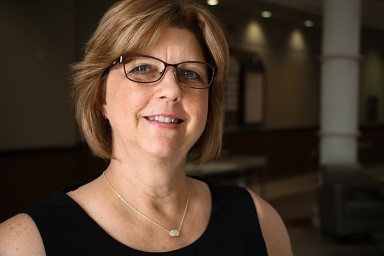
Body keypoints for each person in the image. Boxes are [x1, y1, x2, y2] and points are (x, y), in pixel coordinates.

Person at [0, 0, 292, 255]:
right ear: (100, 95)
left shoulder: (259, 220)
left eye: (189, 73)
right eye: (142, 68)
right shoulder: (24, 244)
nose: (171, 90)